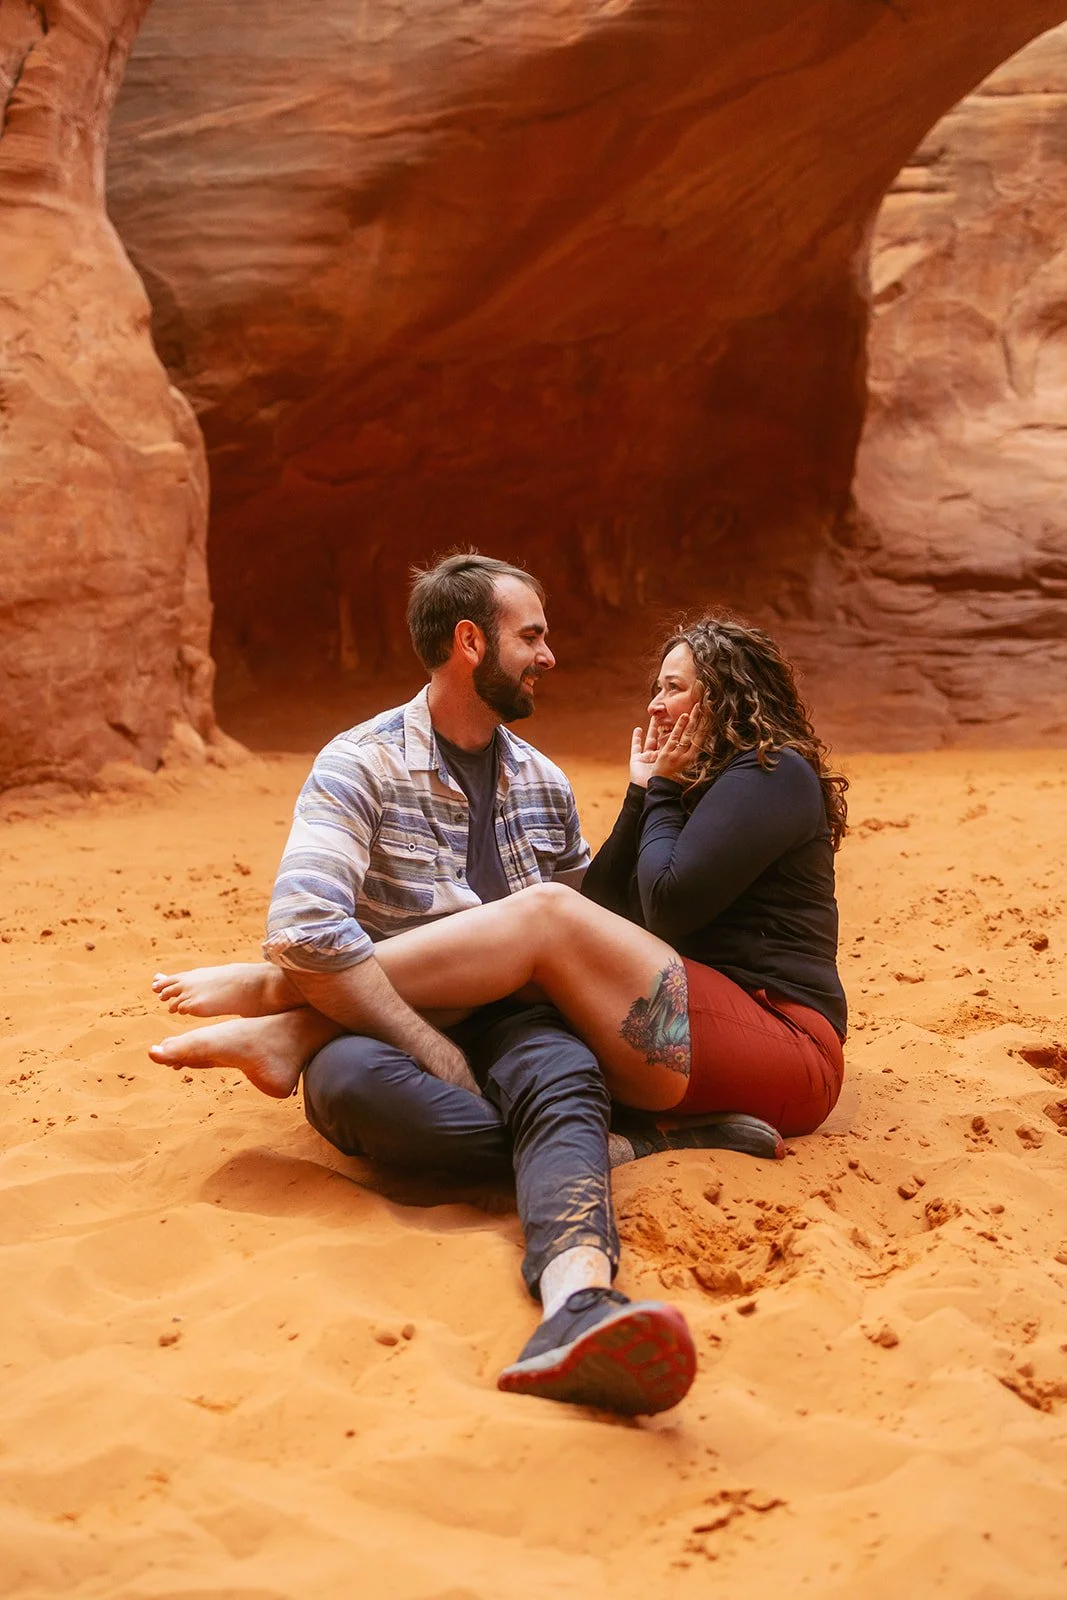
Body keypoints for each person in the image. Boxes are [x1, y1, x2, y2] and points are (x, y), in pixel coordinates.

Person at [152, 554, 779, 1421]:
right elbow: (308, 928)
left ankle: (577, 1299)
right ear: (469, 642)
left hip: (522, 1028)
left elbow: (590, 928)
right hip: (381, 1034)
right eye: (532, 635)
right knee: (369, 1096)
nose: (549, 654)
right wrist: (429, 1043)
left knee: (564, 1081)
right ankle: (636, 1147)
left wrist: (649, 804)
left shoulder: (542, 782)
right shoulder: (358, 765)